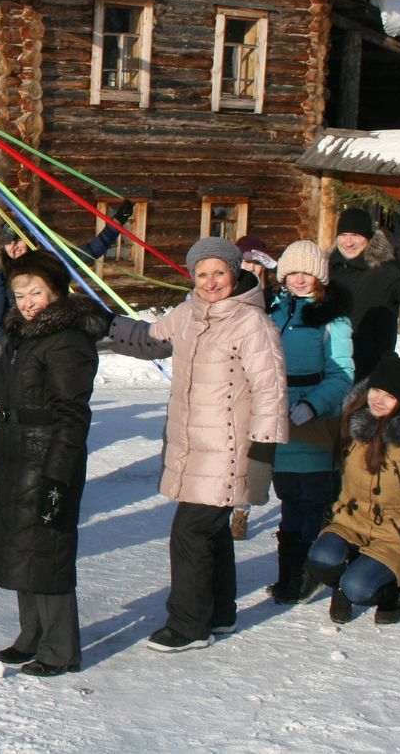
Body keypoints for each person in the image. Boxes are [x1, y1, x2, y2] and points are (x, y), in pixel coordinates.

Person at [107, 237, 287, 652]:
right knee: (212, 533)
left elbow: (270, 392)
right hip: (194, 446)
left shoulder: (251, 323)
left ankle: (189, 625)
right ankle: (220, 613)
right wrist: (103, 323)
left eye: (218, 273)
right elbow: (150, 339)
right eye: (202, 274)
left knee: (190, 532)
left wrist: (262, 457)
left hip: (229, 450)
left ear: (235, 272)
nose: (210, 282)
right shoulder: (188, 313)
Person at [0, 250, 107, 677]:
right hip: (14, 453)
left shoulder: (68, 341)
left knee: (47, 550)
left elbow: (73, 415)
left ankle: (61, 649)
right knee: (21, 548)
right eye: (20, 294)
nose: (27, 301)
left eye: (36, 292)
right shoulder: (26, 336)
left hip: (47, 457)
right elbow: (7, 383)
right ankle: (30, 635)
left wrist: (58, 476)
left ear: (55, 290)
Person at [296, 352, 400, 626]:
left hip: (391, 538)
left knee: (359, 588)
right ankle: (343, 581)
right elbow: (297, 429)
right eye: (376, 390)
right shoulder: (351, 427)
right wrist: (264, 417)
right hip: (349, 525)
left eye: (389, 395)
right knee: (322, 558)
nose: (378, 399)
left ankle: (385, 591)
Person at [264, 240, 353, 604]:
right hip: (277, 416)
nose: (301, 280)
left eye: (309, 273)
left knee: (313, 499)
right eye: (294, 273)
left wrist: (314, 406)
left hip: (313, 420)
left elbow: (343, 373)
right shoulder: (271, 312)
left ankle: (309, 573)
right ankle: (288, 574)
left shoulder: (333, 318)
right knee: (288, 498)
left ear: (321, 277)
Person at [0, 201, 132, 339]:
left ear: (28, 239)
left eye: (17, 240)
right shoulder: (1, 276)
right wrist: (11, 346)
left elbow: (91, 250)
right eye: (8, 243)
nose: (13, 247)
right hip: (25, 341)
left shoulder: (49, 262)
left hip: (57, 334)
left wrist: (118, 220)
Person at [326, 207, 400, 380]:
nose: (349, 242)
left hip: (370, 372)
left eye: (356, 235)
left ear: (368, 238)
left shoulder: (386, 270)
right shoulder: (328, 270)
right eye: (343, 235)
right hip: (329, 369)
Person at [230, 234, 280, 541]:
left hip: (263, 383)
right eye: (246, 260)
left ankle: (242, 510)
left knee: (254, 454)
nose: (251, 266)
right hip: (235, 383)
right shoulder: (230, 296)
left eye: (256, 262)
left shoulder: (275, 298)